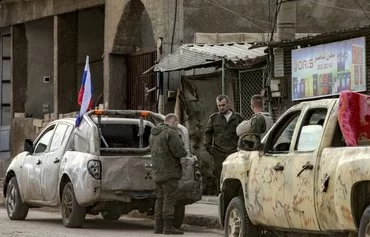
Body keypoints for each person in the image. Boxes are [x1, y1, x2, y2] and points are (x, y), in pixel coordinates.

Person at [149, 113, 187, 235]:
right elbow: (180, 152)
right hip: (170, 172)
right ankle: (168, 227)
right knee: (169, 200)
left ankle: (158, 227)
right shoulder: (170, 133)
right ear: (174, 122)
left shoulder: (153, 134)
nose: (177, 126)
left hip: (157, 172)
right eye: (177, 124)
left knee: (159, 200)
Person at [203, 95, 244, 193]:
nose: (221, 107)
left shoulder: (237, 118)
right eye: (219, 105)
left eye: (223, 105)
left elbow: (243, 134)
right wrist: (210, 148)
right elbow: (208, 132)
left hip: (234, 152)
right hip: (219, 153)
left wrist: (241, 148)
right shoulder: (214, 118)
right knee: (219, 176)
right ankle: (221, 196)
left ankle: (234, 195)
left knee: (234, 175)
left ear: (228, 104)